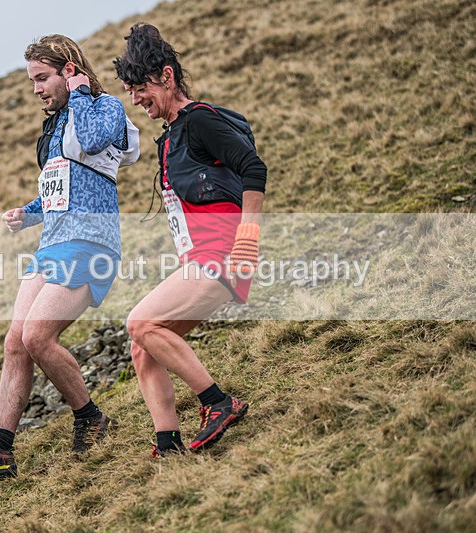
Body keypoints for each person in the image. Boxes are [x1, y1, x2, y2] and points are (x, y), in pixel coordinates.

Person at [0, 34, 139, 480]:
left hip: (90, 241)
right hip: (51, 243)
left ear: (68, 70)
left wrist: (82, 91)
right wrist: (27, 213)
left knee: (37, 337)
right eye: (32, 80)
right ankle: (0, 448)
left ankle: (91, 418)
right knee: (15, 342)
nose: (35, 89)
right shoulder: (54, 128)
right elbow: (58, 187)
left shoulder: (102, 107)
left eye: (42, 78)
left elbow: (91, 143)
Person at [114, 23, 267, 457]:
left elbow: (254, 168)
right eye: (130, 91)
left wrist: (248, 238)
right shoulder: (171, 137)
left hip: (224, 252)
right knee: (143, 347)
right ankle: (169, 446)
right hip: (198, 257)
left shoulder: (199, 119)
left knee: (141, 322)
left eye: (141, 87)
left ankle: (219, 403)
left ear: (167, 76)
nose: (137, 99)